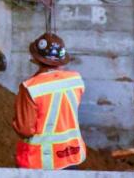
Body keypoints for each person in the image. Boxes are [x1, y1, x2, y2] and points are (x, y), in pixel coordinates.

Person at [13, 32, 86, 170]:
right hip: (71, 155)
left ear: (35, 58)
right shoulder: (75, 80)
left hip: (41, 161)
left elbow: (25, 129)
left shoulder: (30, 88)